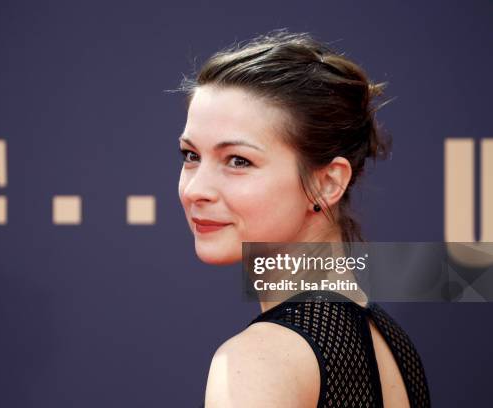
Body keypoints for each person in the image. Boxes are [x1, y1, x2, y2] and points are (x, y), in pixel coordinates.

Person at [176, 30, 430, 407]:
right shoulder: (394, 347)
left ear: (327, 183)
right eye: (191, 155)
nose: (196, 189)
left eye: (238, 161)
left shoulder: (257, 362)